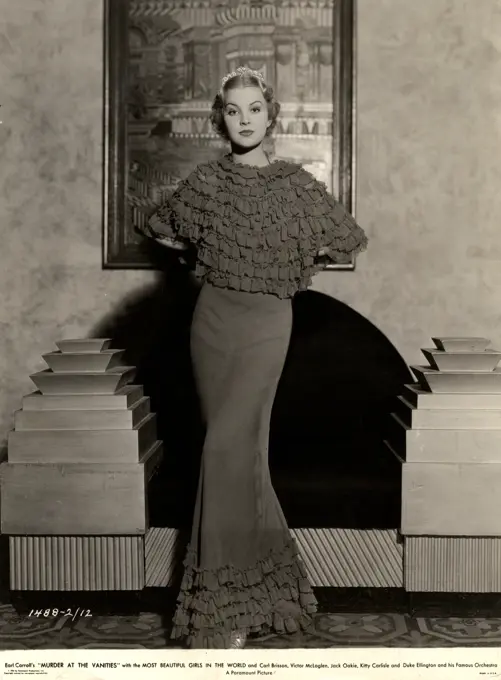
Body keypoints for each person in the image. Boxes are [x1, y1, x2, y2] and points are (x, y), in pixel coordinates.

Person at [137, 66, 368, 649]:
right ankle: (268, 594)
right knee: (240, 457)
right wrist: (203, 254)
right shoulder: (208, 182)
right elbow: (162, 226)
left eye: (254, 110)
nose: (244, 121)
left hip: (267, 324)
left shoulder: (294, 185)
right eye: (233, 111)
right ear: (222, 118)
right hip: (212, 322)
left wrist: (286, 254)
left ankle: (223, 611)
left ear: (272, 116)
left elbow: (345, 238)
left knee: (226, 450)